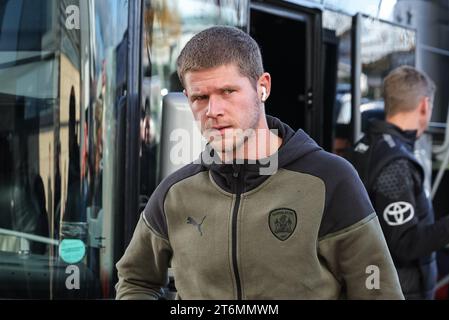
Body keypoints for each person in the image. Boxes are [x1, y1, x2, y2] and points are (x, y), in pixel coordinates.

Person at [115, 26, 403, 300]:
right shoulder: (174, 194)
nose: (213, 110)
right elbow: (135, 279)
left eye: (227, 92)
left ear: (262, 87)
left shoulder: (329, 180)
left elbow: (379, 291)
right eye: (200, 97)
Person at [350, 65, 449, 299]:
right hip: (399, 291)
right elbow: (405, 243)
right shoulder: (396, 163)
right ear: (424, 106)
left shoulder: (363, 147)